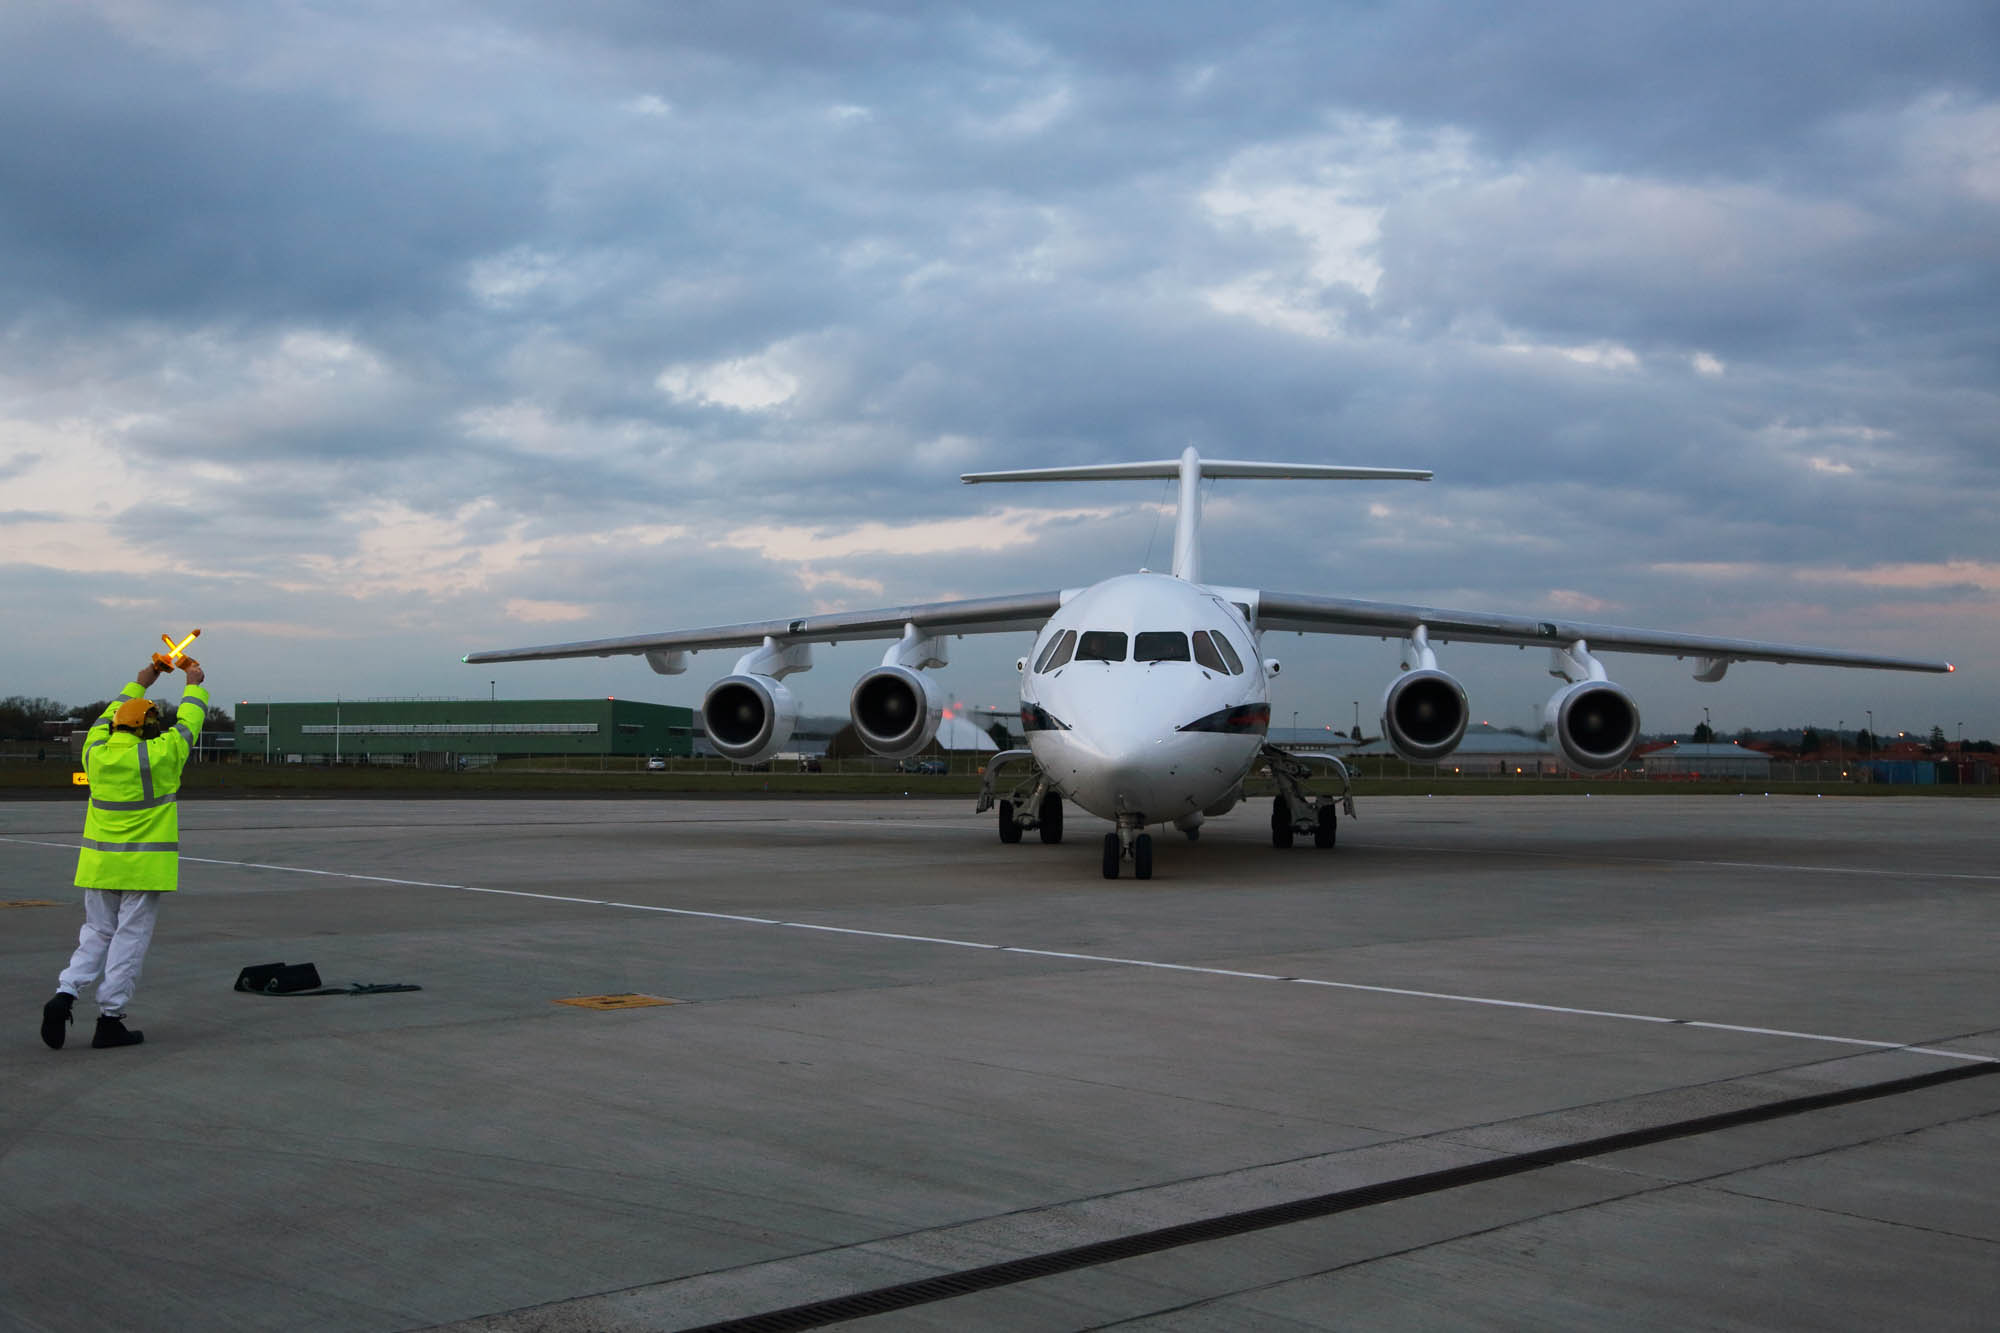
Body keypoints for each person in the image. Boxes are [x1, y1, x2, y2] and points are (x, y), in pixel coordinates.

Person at [41, 656, 208, 1050]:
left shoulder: (95, 754)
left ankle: (65, 992)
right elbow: (189, 723)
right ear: (150, 727)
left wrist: (141, 683)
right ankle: (110, 1019)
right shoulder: (162, 755)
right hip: (143, 869)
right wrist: (194, 683)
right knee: (129, 939)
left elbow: (105, 719)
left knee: (96, 933)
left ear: (117, 724)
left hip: (100, 865)